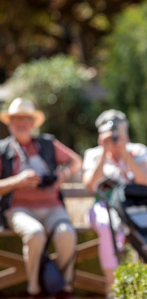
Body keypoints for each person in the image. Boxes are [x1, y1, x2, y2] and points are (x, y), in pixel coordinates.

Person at [0, 98, 82, 299]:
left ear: (32, 123)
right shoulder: (3, 150)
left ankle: (64, 289)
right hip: (18, 209)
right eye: (16, 119)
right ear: (9, 123)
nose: (21, 123)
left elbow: (76, 161)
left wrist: (61, 175)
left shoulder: (47, 143)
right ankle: (35, 291)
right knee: (35, 234)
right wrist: (17, 181)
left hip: (53, 207)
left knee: (67, 233)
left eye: (25, 119)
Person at [82, 109, 147, 297]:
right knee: (107, 224)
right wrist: (104, 153)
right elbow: (90, 186)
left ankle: (144, 287)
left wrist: (125, 154)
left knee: (145, 223)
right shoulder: (93, 154)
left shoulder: (138, 150)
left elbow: (146, 182)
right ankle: (113, 286)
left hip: (133, 207)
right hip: (103, 206)